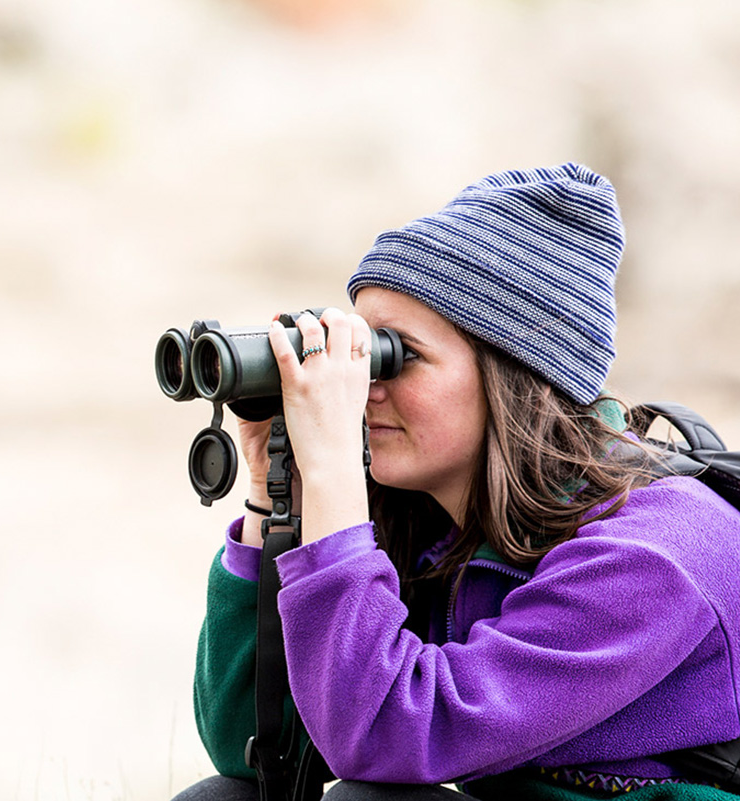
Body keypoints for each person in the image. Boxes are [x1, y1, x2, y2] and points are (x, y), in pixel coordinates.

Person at [174, 163, 740, 801]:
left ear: (513, 375)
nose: (364, 389)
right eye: (361, 354)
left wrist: (333, 469)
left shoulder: (656, 557)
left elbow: (388, 736)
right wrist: (276, 494)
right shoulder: (436, 518)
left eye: (396, 356)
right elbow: (258, 751)